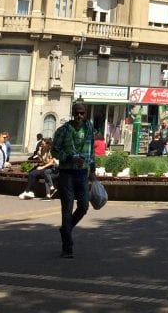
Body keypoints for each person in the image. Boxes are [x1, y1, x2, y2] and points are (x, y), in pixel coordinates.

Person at [53, 101, 96, 259]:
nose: (79, 116)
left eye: (82, 113)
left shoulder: (89, 128)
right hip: (67, 173)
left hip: (82, 173)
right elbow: (55, 151)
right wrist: (70, 158)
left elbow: (91, 152)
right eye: (77, 113)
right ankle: (67, 248)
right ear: (73, 113)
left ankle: (66, 229)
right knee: (67, 208)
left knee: (84, 206)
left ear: (86, 113)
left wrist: (93, 171)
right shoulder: (63, 130)